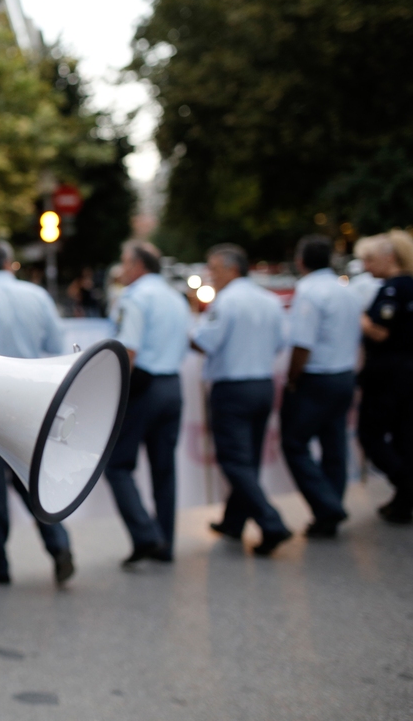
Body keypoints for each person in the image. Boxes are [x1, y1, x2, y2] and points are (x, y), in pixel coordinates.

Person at [0, 240, 76, 587]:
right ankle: (59, 545)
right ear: (9, 263)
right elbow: (56, 347)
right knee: (33, 480)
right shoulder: (36, 296)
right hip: (33, 400)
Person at [191, 244, 292, 555]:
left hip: (233, 387)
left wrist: (195, 323)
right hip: (261, 384)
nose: (211, 276)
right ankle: (234, 521)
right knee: (246, 459)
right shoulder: (268, 300)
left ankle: (270, 522)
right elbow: (281, 342)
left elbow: (205, 341)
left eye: (214, 269)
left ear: (232, 270)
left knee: (234, 460)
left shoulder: (228, 301)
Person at [107, 241, 190, 567]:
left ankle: (145, 534)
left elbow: (128, 350)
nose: (122, 269)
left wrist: (115, 390)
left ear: (139, 266)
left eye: (125, 263)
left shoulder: (135, 297)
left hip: (145, 387)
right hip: (172, 385)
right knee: (164, 468)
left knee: (117, 465)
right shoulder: (174, 296)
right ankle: (165, 543)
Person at [281, 235, 361, 538]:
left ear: (301, 260)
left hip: (319, 379)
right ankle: (330, 510)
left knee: (294, 442)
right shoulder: (346, 291)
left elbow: (302, 343)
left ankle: (327, 506)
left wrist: (292, 378)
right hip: (343, 375)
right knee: (334, 445)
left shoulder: (310, 291)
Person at [355, 230, 413, 524]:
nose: (366, 266)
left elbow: (381, 331)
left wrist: (360, 318)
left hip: (388, 375)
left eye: (370, 258)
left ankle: (406, 486)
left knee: (371, 435)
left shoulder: (393, 290)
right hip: (404, 373)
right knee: (404, 436)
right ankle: (403, 503)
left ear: (389, 258)